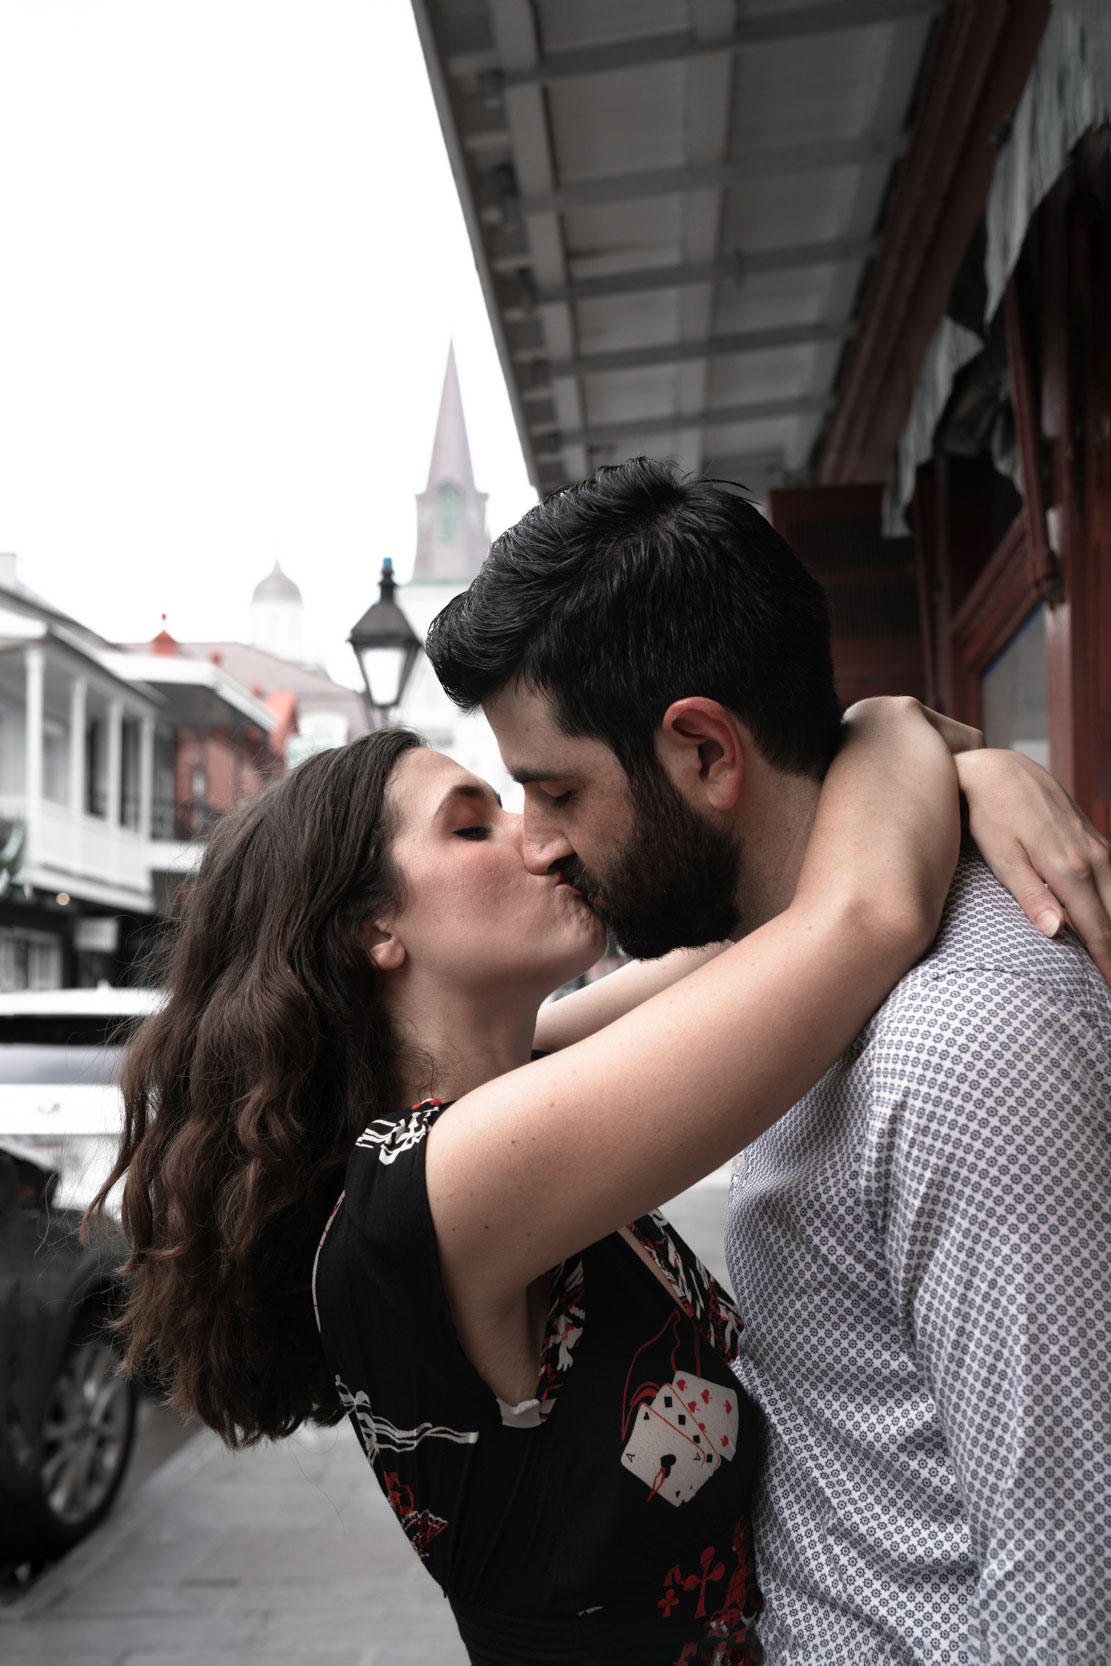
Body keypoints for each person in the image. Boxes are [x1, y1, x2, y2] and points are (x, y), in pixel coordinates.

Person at [93, 695, 1094, 1666]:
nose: (539, 842)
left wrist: (973, 775)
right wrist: (891, 722)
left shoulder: (501, 1099)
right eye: (473, 827)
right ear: (373, 930)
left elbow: (769, 920)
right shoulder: (446, 1186)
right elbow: (857, 917)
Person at [427, 457, 1111, 1665]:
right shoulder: (781, 981)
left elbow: (1072, 1574)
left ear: (703, 753)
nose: (538, 846)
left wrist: (914, 741)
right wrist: (916, 737)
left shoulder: (959, 1044)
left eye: (553, 791)